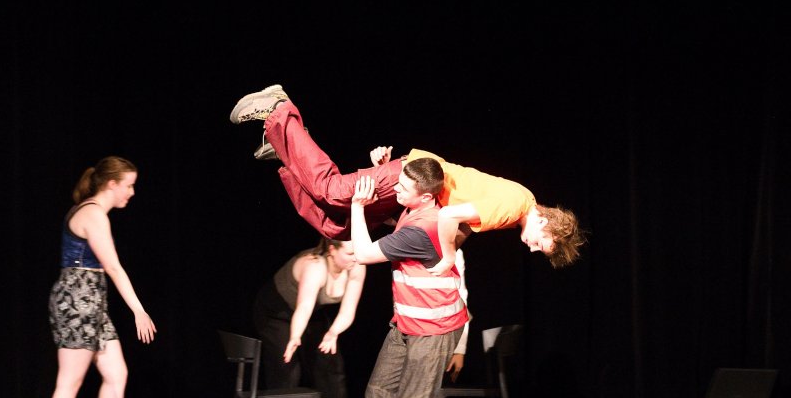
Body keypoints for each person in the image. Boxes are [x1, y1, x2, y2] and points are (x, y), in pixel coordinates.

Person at [229, 84, 586, 271]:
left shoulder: (516, 207)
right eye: (541, 243)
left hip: (418, 188)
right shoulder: (513, 207)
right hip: (415, 176)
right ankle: (280, 109)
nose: (532, 247)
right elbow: (449, 216)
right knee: (333, 191)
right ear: (546, 222)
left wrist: (404, 224)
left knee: (336, 228)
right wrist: (448, 257)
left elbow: (458, 221)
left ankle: (285, 147)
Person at [348, 167, 475, 398]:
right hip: (407, 322)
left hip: (432, 330)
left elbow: (363, 254)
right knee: (379, 396)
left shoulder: (421, 230)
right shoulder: (415, 210)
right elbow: (399, 207)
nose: (396, 191)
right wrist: (383, 166)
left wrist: (357, 206)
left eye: (403, 187)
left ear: (426, 196)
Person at [42, 156, 156, 398]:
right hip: (77, 302)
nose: (131, 193)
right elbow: (114, 267)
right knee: (70, 381)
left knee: (116, 373)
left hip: (92, 301)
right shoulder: (93, 214)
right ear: (111, 184)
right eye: (128, 186)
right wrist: (138, 309)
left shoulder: (95, 213)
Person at [251, 238, 368, 398]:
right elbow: (303, 306)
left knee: (331, 365)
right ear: (332, 250)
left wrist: (333, 332)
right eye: (350, 253)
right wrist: (295, 337)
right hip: (276, 313)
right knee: (287, 372)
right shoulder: (314, 266)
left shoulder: (357, 267)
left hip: (311, 313)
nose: (355, 258)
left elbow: (348, 310)